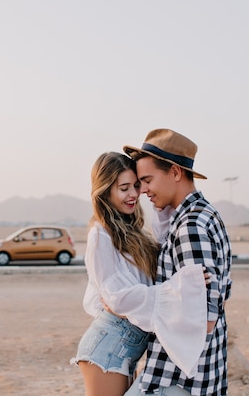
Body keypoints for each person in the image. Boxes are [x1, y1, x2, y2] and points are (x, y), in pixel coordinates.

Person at [71, 152, 209, 396]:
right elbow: (117, 298)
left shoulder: (130, 229)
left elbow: (162, 249)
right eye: (124, 188)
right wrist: (179, 289)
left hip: (126, 347)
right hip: (108, 347)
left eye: (136, 186)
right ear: (104, 191)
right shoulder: (100, 235)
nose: (134, 194)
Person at [121, 128, 233, 396]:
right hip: (194, 374)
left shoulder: (190, 226)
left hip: (178, 380)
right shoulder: (205, 214)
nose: (143, 190)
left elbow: (202, 319)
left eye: (147, 179)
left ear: (174, 172)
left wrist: (128, 301)